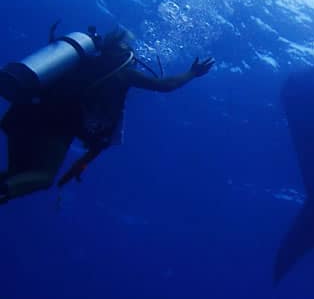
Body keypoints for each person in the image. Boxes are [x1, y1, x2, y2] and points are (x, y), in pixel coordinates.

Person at [0, 25, 214, 205]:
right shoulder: (123, 72)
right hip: (54, 126)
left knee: (16, 173)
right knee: (43, 177)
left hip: (21, 112)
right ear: (125, 53)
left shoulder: (80, 62)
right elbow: (166, 85)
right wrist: (192, 73)